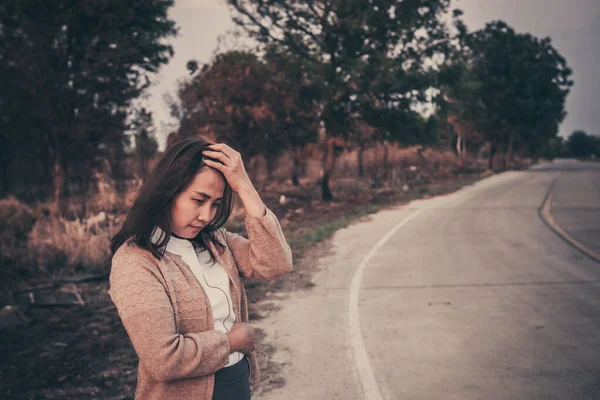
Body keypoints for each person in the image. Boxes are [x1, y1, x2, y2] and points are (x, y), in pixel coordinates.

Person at [109, 137, 293, 400]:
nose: (206, 215)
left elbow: (276, 264)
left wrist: (244, 186)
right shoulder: (135, 260)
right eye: (198, 200)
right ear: (168, 191)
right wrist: (231, 342)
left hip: (238, 384)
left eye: (215, 204)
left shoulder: (216, 240)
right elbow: (163, 359)